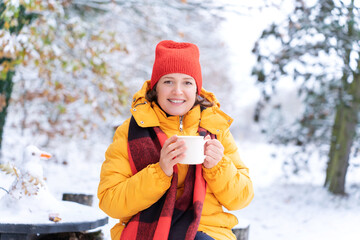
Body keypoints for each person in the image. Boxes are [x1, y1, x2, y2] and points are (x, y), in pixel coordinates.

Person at [97, 40, 254, 240]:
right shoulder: (130, 131)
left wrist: (218, 167)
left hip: (208, 230)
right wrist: (159, 171)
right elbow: (111, 202)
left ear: (196, 89)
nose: (178, 91)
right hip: (146, 232)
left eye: (187, 82)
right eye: (168, 81)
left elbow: (242, 198)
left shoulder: (216, 128)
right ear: (156, 87)